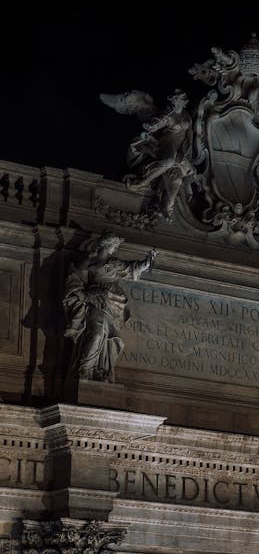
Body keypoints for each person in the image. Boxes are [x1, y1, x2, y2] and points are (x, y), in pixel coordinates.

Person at [63, 231, 156, 382]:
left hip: (113, 306)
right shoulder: (88, 263)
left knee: (107, 338)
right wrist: (88, 295)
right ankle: (84, 369)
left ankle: (99, 370)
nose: (114, 249)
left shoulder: (115, 264)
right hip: (96, 302)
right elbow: (75, 283)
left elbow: (133, 268)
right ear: (105, 244)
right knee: (96, 334)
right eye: (113, 246)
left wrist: (147, 262)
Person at [125, 89, 195, 218]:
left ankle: (168, 208)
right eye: (174, 99)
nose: (176, 102)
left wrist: (185, 152)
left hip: (180, 151)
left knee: (178, 178)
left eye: (178, 100)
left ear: (184, 103)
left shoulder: (187, 116)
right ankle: (144, 181)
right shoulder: (168, 114)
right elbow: (159, 121)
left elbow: (190, 136)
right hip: (164, 146)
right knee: (169, 160)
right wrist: (152, 127)